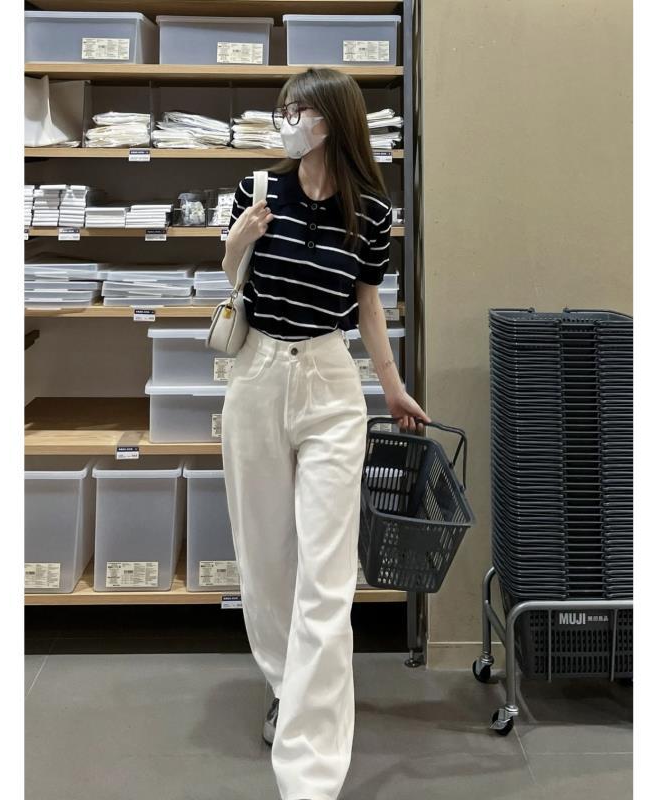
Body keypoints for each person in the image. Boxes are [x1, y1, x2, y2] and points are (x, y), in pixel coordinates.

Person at [220, 67, 430, 800]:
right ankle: (291, 689)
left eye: (300, 110)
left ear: (332, 120)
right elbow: (230, 278)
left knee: (327, 570)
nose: (288, 120)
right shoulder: (256, 189)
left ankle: (309, 766)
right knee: (265, 555)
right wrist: (238, 240)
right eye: (285, 109)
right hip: (257, 374)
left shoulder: (370, 210)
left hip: (330, 382)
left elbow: (368, 305)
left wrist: (392, 386)